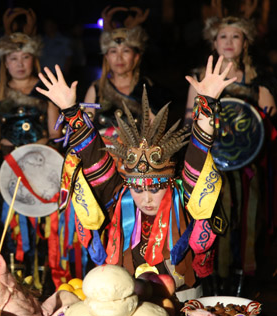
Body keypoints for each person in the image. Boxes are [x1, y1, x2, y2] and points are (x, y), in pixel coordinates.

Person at [35, 56, 236, 295]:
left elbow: (198, 155)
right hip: (128, 303)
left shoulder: (183, 197)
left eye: (155, 188)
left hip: (183, 300)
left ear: (170, 182)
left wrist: (208, 102)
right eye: (138, 189)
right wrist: (71, 110)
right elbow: (92, 156)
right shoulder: (118, 195)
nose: (146, 198)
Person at [183, 2, 277, 296]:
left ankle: (242, 283)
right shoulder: (199, 77)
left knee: (248, 222)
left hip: (247, 168)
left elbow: (268, 128)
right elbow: (190, 122)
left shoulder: (258, 80)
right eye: (223, 36)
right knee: (213, 220)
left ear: (245, 42)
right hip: (212, 167)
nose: (229, 42)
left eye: (235, 36)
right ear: (213, 42)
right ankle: (213, 282)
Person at [0, 8, 62, 281]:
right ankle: (14, 277)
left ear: (35, 59)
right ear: (4, 62)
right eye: (13, 58)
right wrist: (5, 161)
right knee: (10, 231)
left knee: (44, 229)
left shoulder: (46, 92)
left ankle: (44, 279)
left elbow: (56, 135)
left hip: (41, 172)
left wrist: (43, 151)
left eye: (25, 57)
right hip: (10, 172)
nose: (19, 64)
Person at [83, 6, 170, 141]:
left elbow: (157, 135)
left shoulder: (147, 88)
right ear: (106, 57)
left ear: (136, 56)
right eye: (113, 51)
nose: (119, 58)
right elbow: (85, 132)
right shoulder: (96, 89)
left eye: (125, 51)